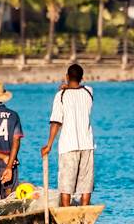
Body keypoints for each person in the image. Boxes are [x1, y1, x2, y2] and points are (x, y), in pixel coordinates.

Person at [40, 63, 95, 207]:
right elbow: (79, 87)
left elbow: (56, 123)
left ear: (67, 77)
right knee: (86, 184)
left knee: (66, 185)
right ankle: (84, 211)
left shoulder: (61, 96)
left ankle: (66, 211)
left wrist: (49, 145)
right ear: (82, 78)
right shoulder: (89, 92)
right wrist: (66, 86)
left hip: (68, 146)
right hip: (87, 144)